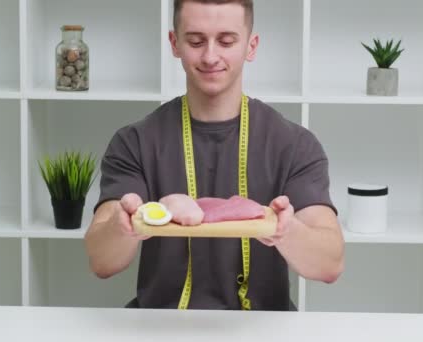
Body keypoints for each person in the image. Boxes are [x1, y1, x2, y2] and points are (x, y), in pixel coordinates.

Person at [83, 0, 344, 311]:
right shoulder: (134, 142)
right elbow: (101, 261)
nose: (209, 56)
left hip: (261, 329)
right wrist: (125, 225)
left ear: (251, 45)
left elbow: (330, 264)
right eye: (195, 41)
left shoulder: (295, 144)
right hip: (161, 328)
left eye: (226, 41)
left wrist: (286, 230)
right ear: (174, 43)